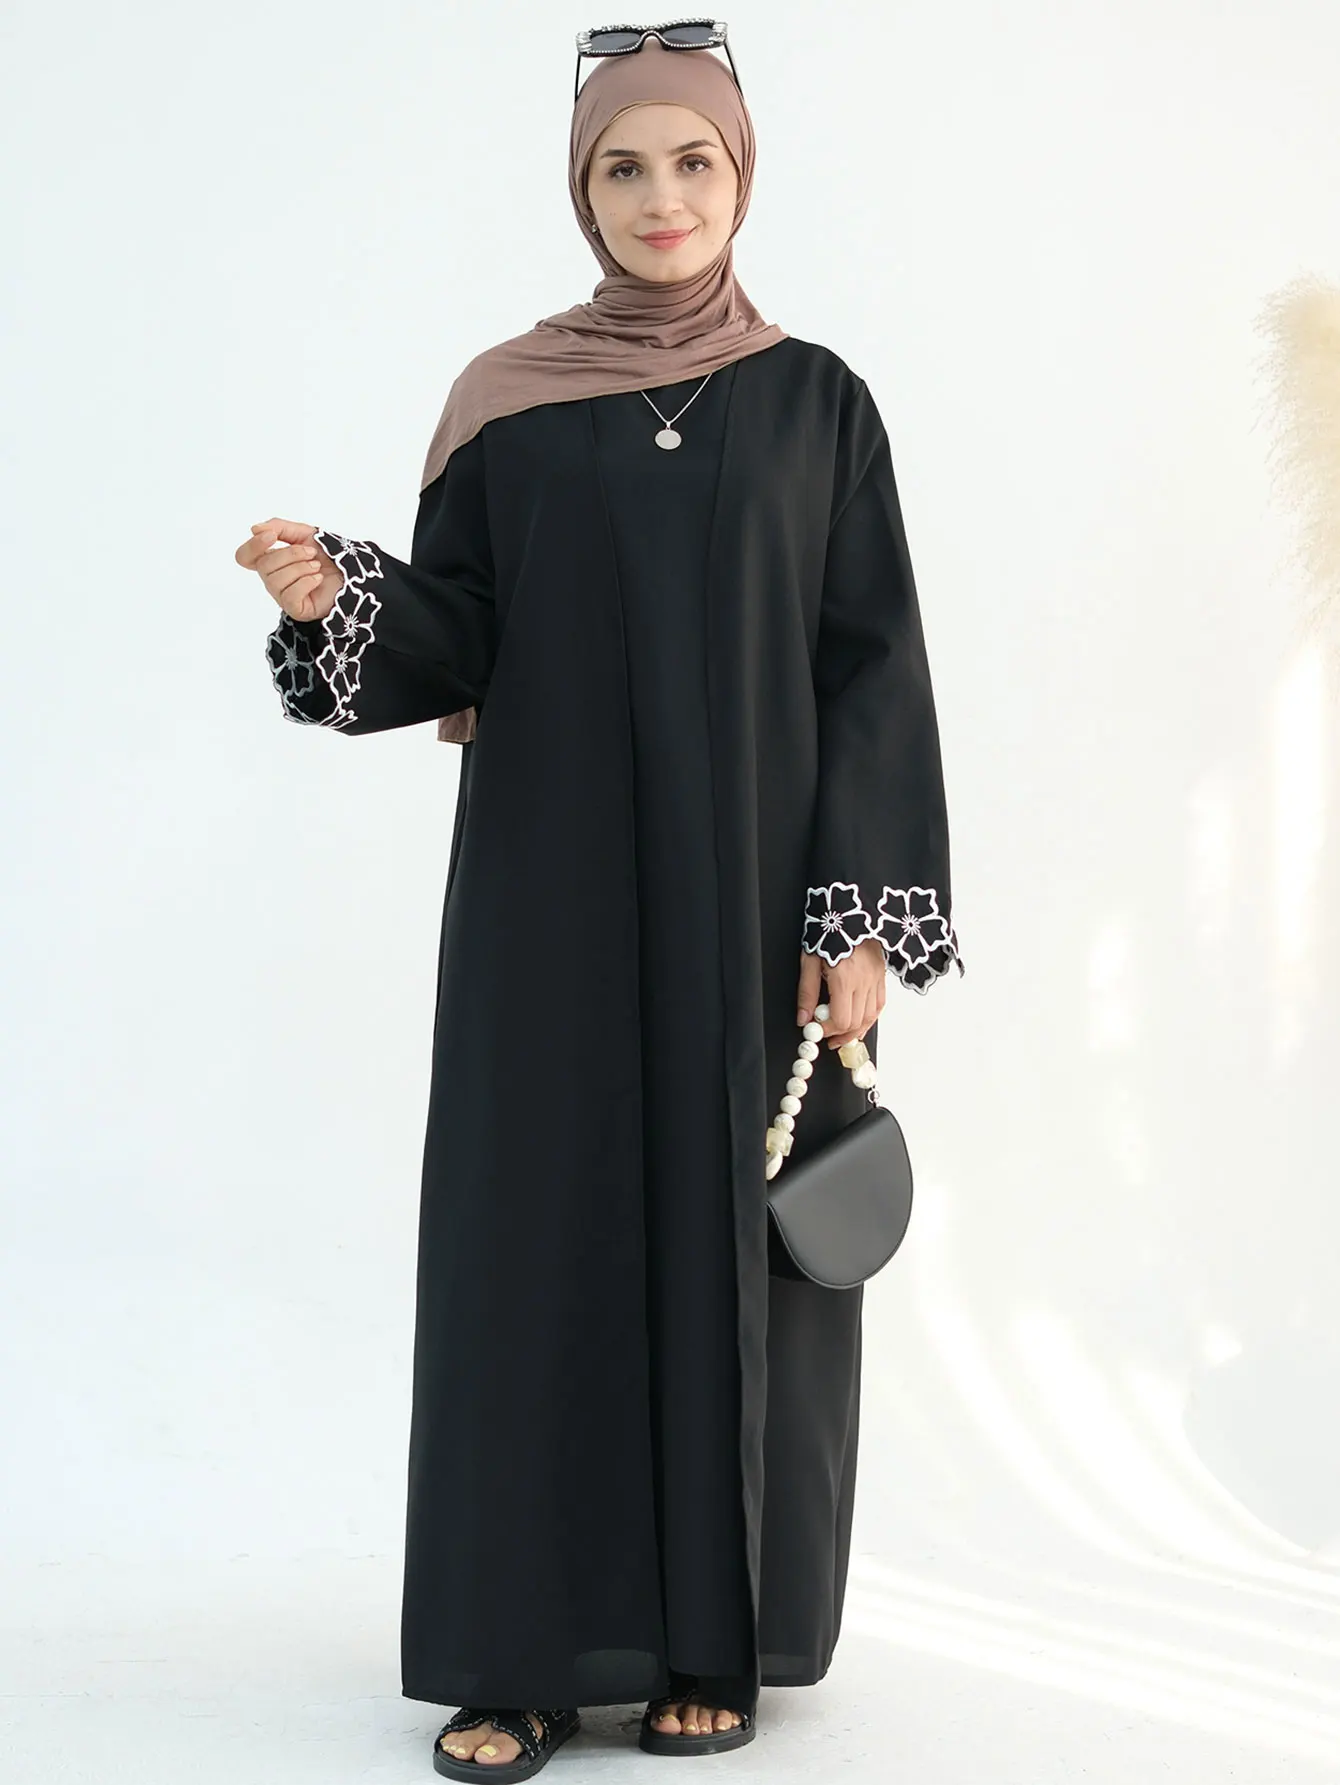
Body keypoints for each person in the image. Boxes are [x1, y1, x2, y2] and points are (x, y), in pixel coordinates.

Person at [234, 23, 963, 1779]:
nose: (660, 197)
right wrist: (339, 597)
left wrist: (856, 920)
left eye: (692, 162)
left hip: (752, 918)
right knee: (533, 1241)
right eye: (622, 167)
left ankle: (716, 1644)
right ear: (581, 191)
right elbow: (458, 636)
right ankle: (520, 1656)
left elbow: (871, 666)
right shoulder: (507, 401)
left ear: (742, 174)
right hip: (545, 909)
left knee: (733, 1251)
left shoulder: (819, 403)